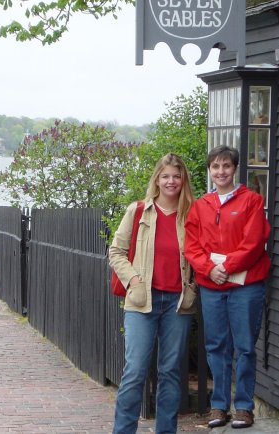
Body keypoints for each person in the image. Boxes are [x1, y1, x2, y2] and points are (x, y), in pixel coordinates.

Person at [109, 153, 197, 434]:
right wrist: (134, 279)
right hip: (141, 302)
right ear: (157, 180)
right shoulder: (138, 211)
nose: (171, 181)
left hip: (178, 304)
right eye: (165, 176)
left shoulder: (192, 215)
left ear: (183, 180)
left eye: (176, 176)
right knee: (135, 371)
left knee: (170, 373)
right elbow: (116, 252)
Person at [184, 145, 271, 429]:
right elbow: (192, 246)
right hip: (212, 286)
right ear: (210, 171)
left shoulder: (252, 201)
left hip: (245, 285)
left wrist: (227, 267)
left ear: (234, 169)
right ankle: (219, 407)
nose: (221, 172)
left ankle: (244, 407)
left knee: (245, 347)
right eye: (215, 167)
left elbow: (254, 242)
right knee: (216, 346)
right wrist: (210, 270)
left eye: (226, 166)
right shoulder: (200, 206)